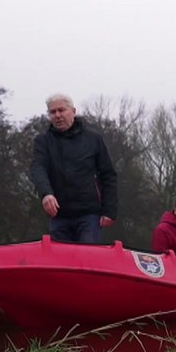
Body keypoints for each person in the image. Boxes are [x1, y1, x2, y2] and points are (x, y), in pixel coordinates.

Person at [28, 93, 118, 244]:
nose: (57, 115)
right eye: (53, 112)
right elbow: (38, 168)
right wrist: (46, 194)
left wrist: (109, 210)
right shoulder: (43, 141)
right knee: (61, 264)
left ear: (73, 111)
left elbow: (108, 175)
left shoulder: (93, 139)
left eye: (61, 110)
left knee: (88, 261)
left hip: (89, 215)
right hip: (59, 215)